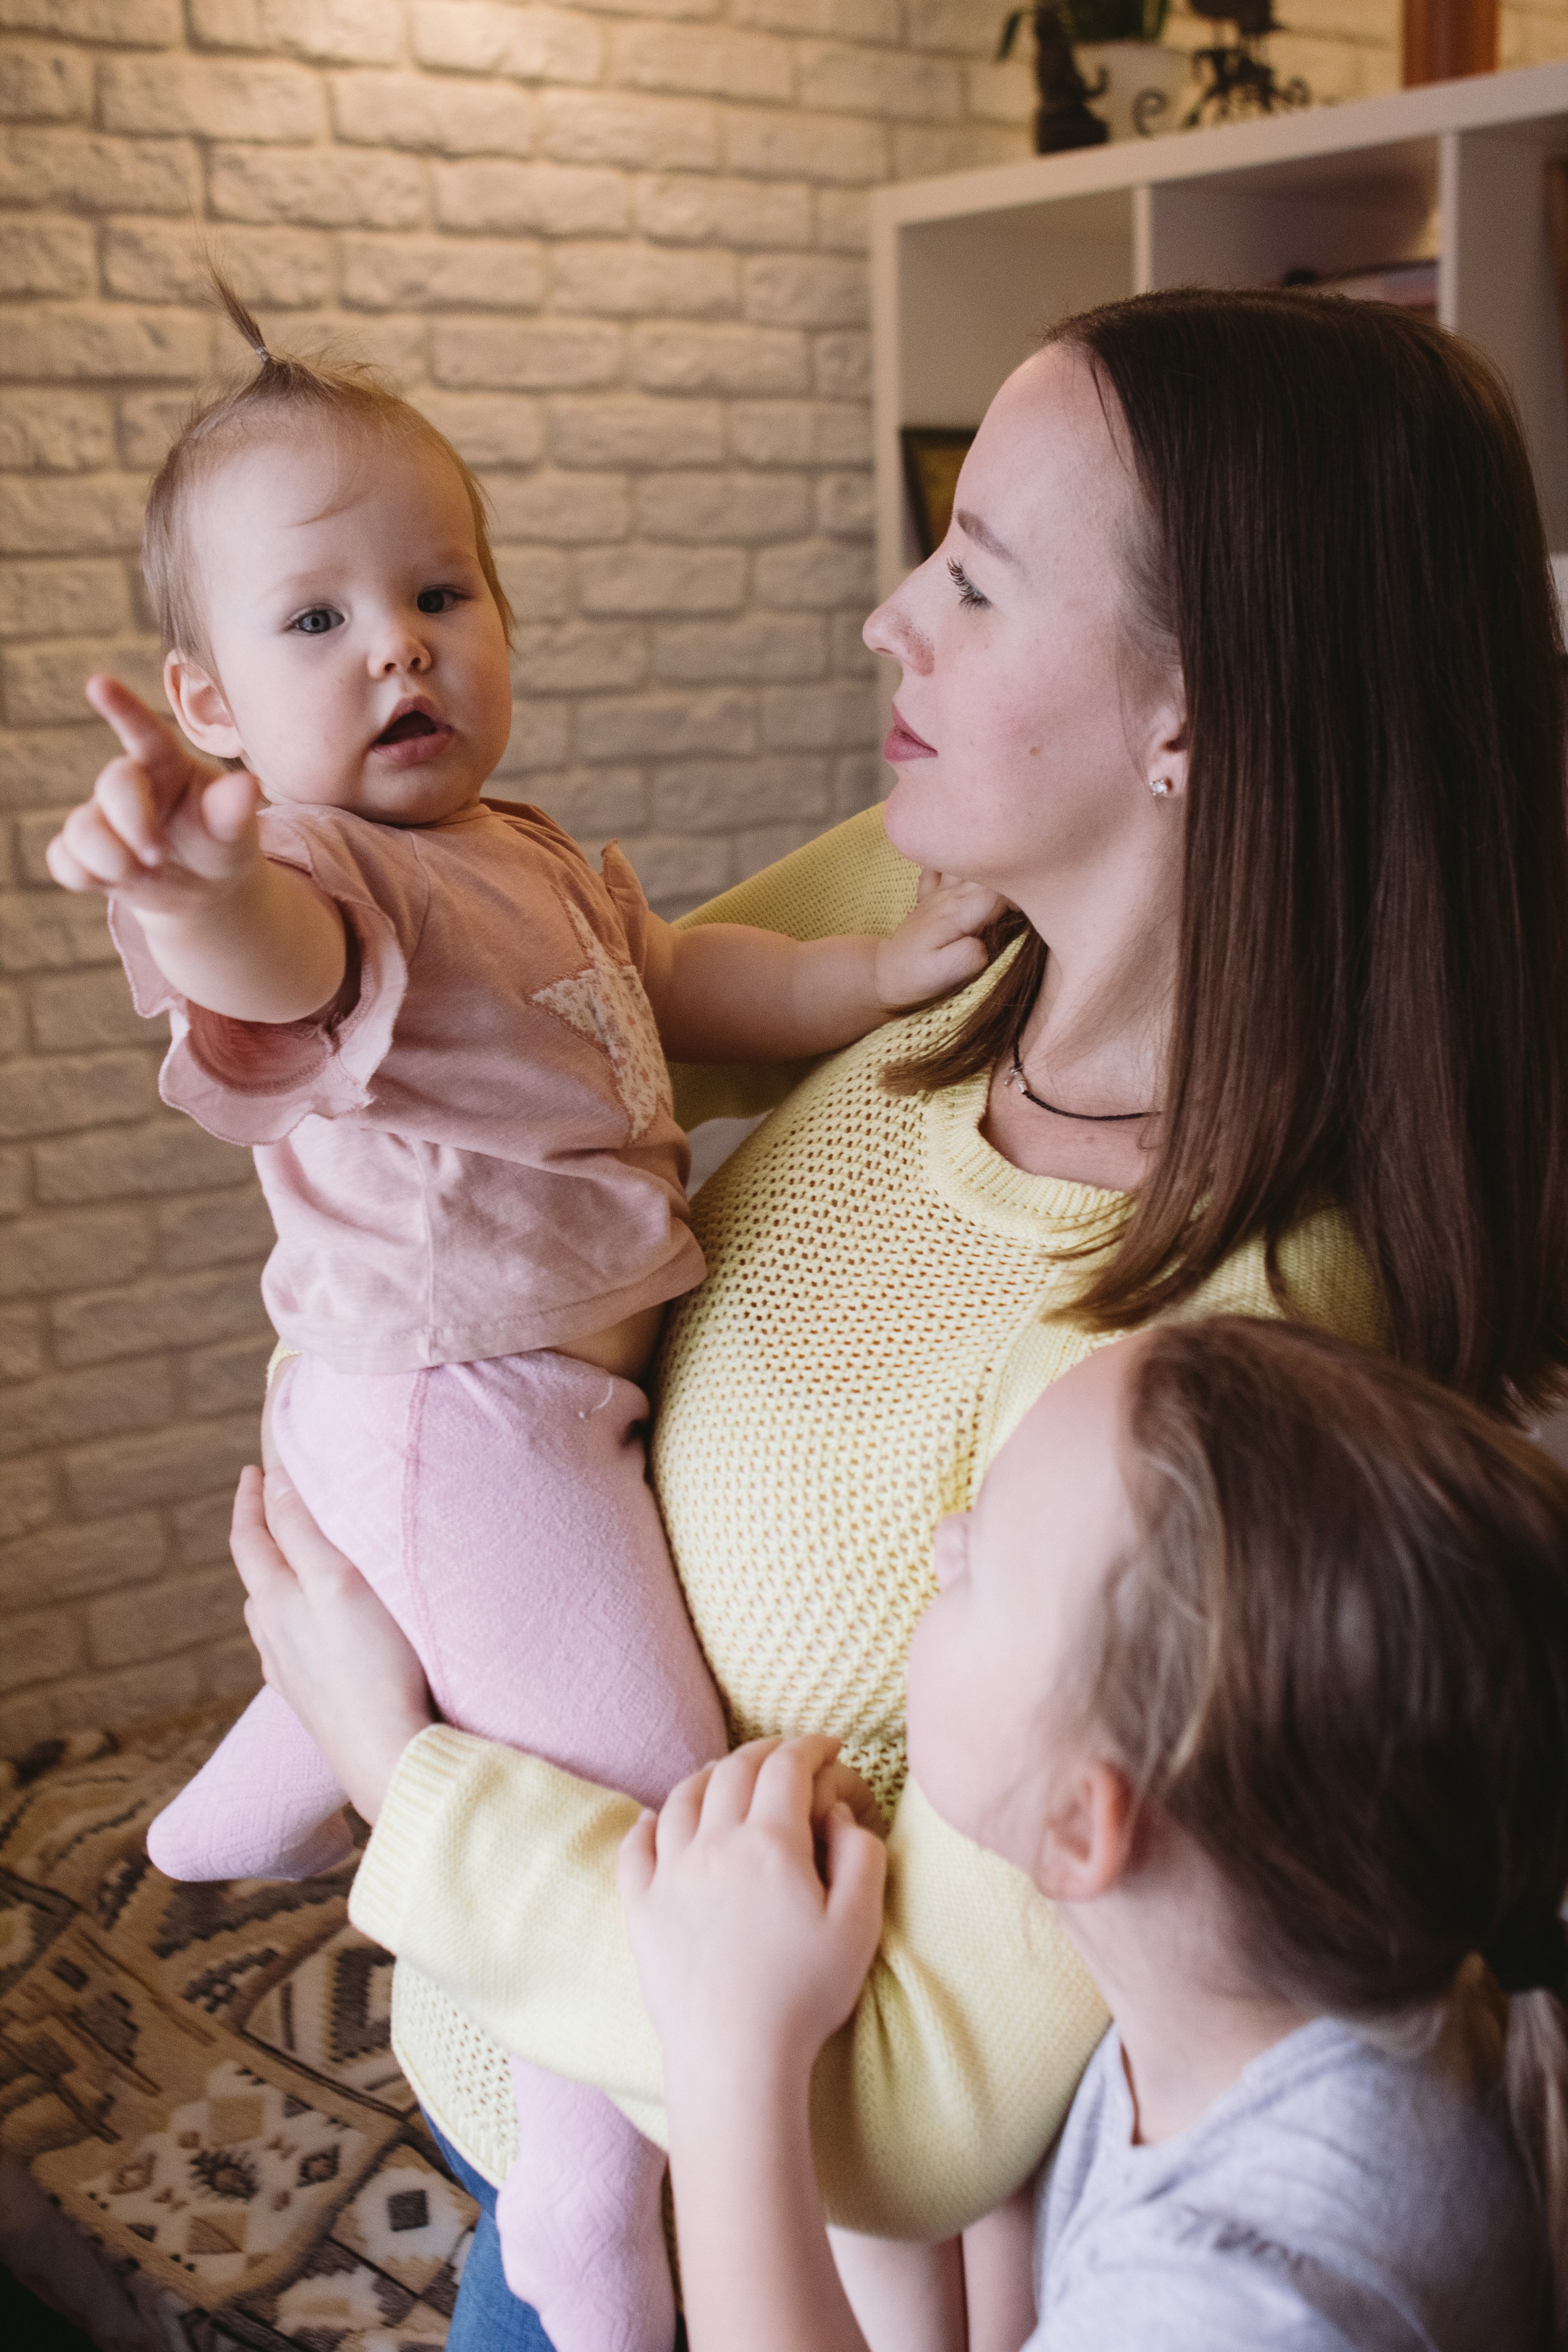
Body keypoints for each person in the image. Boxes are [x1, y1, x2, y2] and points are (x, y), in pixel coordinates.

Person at [183, 288, 1568, 2350]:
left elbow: (917, 2098)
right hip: (528, 2091)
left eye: (978, 579)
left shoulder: (1208, 1351)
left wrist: (395, 1755)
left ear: (1200, 710)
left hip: (685, 2254)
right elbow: (535, 1015)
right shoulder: (960, 922)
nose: (886, 621)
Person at [43, 279, 998, 2352]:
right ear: (205, 705)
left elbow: (690, 985)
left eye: (441, 589)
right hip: (457, 1411)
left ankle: (265, 1780)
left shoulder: (531, 853)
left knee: (485, 1653)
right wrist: (187, 880)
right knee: (637, 1797)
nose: (400, 643)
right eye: (317, 622)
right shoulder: (321, 867)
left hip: (502, 1414)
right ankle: (582, 2215)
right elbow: (271, 965)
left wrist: (872, 982)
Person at [620, 1316, 1568, 2350]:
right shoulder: (1311, 1961)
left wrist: (727, 2047)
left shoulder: (1245, 2307)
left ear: (1083, 1826)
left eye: (981, 1558)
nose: (944, 1542)